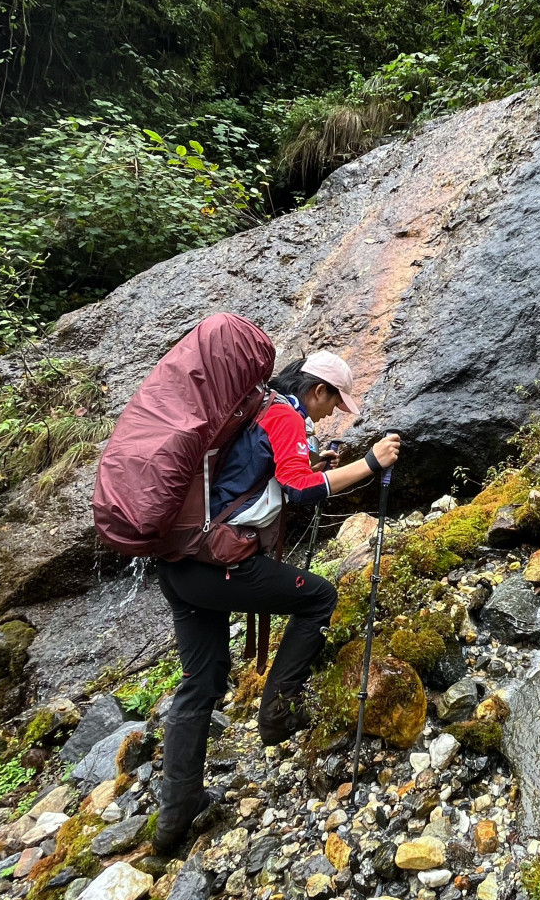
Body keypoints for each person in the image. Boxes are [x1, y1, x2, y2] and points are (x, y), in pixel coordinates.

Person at [153, 349, 400, 854]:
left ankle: (174, 816)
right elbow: (300, 489)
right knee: (319, 599)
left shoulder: (260, 408)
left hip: (180, 563)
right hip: (220, 564)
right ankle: (277, 716)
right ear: (318, 391)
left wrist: (312, 462)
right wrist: (369, 464)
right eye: (334, 403)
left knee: (200, 683)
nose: (331, 414)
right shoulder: (286, 415)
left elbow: (254, 477)